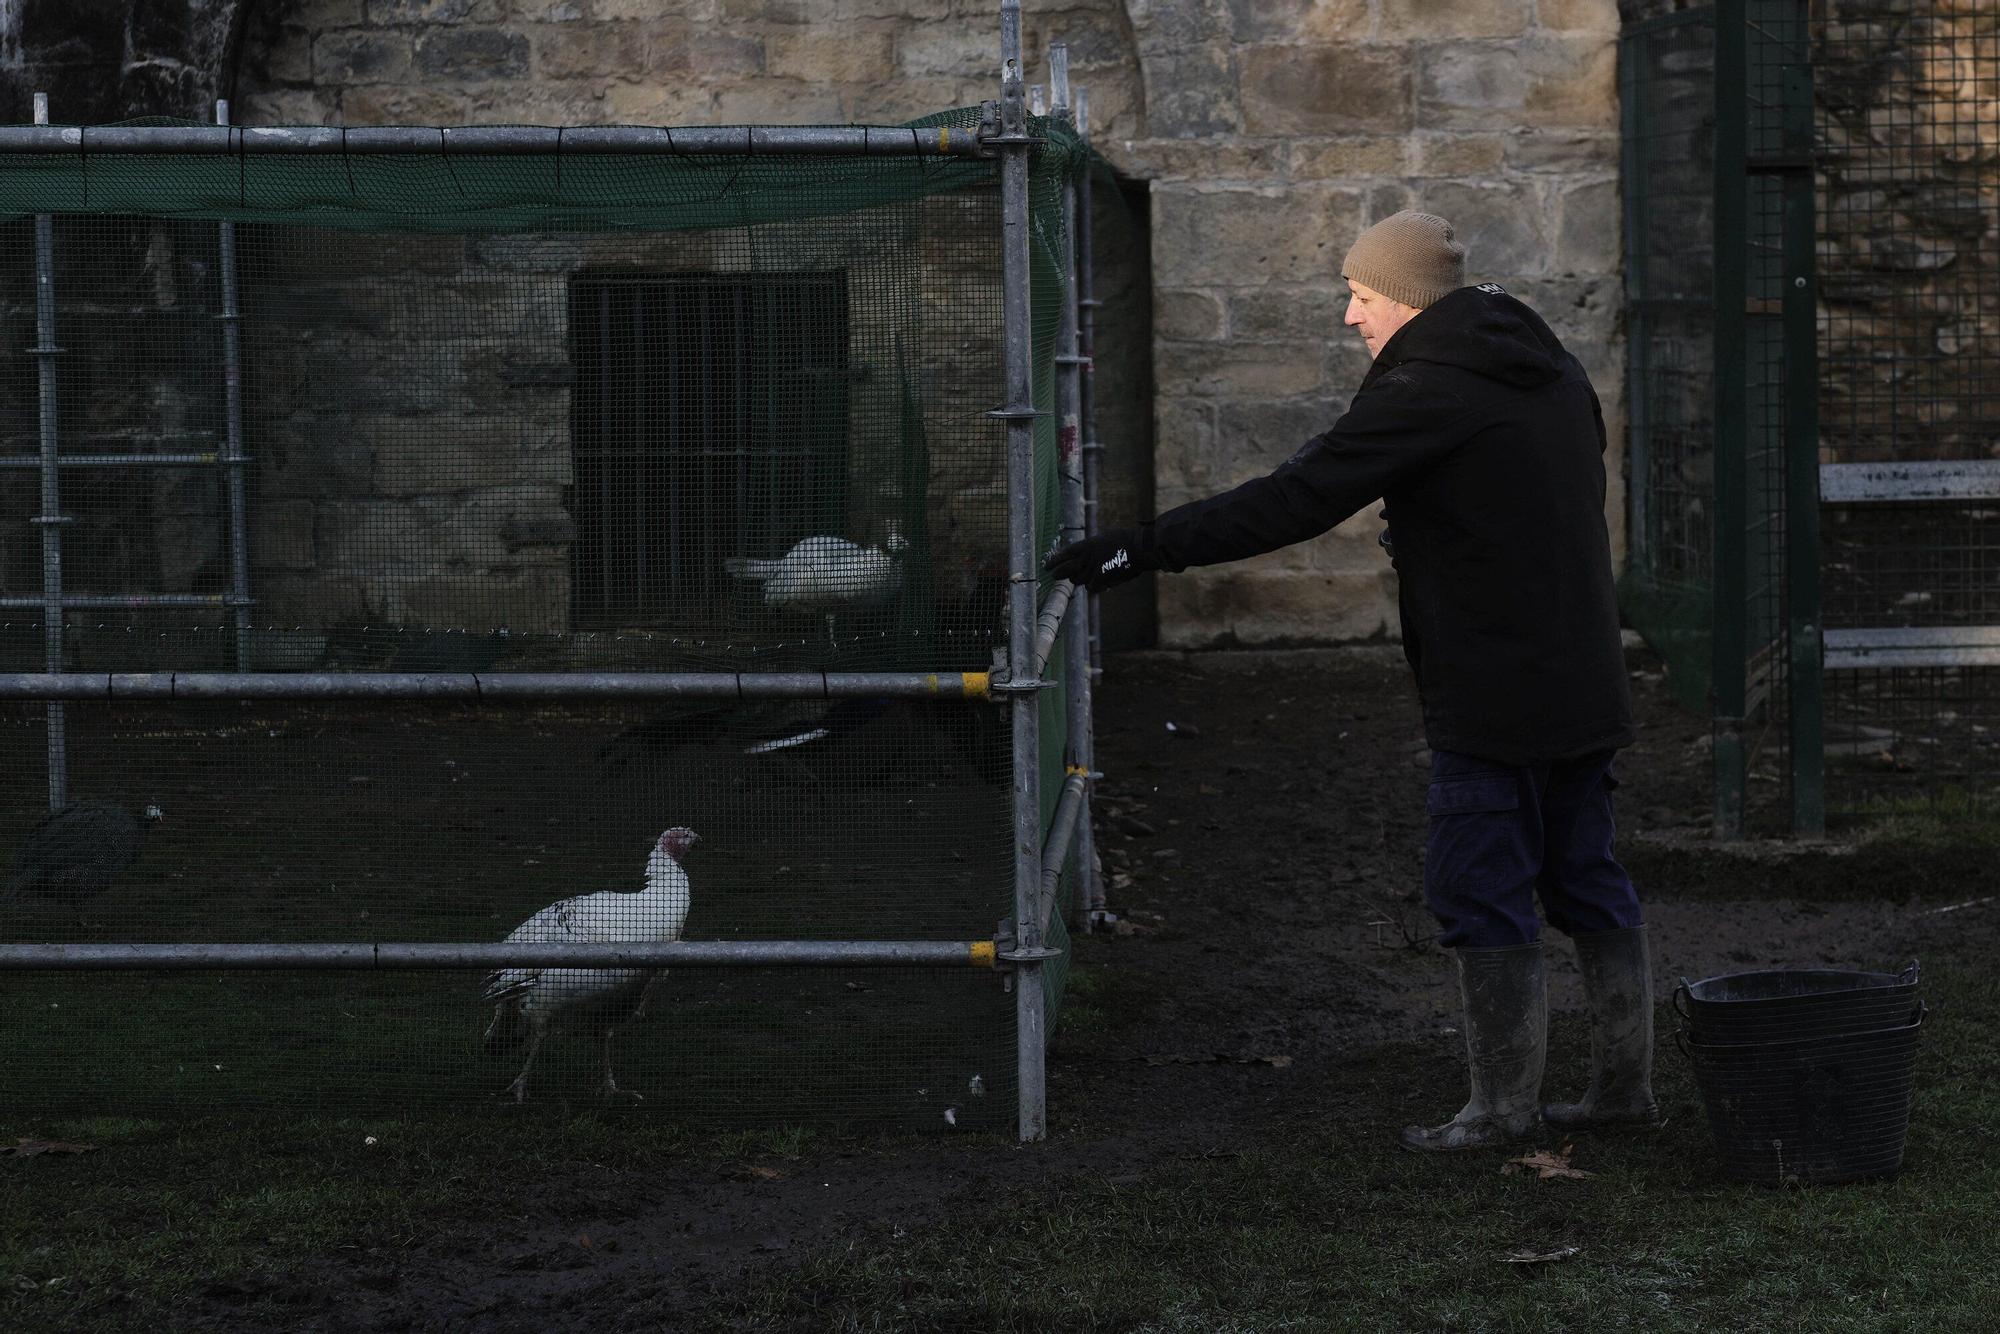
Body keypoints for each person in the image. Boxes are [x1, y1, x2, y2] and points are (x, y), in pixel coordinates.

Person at [1046, 210, 1659, 1151]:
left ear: (1408, 300)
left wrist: (1137, 551)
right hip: (1581, 672)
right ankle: (1623, 1093)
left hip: (1492, 689)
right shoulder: (1550, 366)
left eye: (1362, 295)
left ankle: (1499, 1113)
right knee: (1586, 877)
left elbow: (1297, 496)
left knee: (1480, 886)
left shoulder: (1428, 386)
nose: (1349, 317)